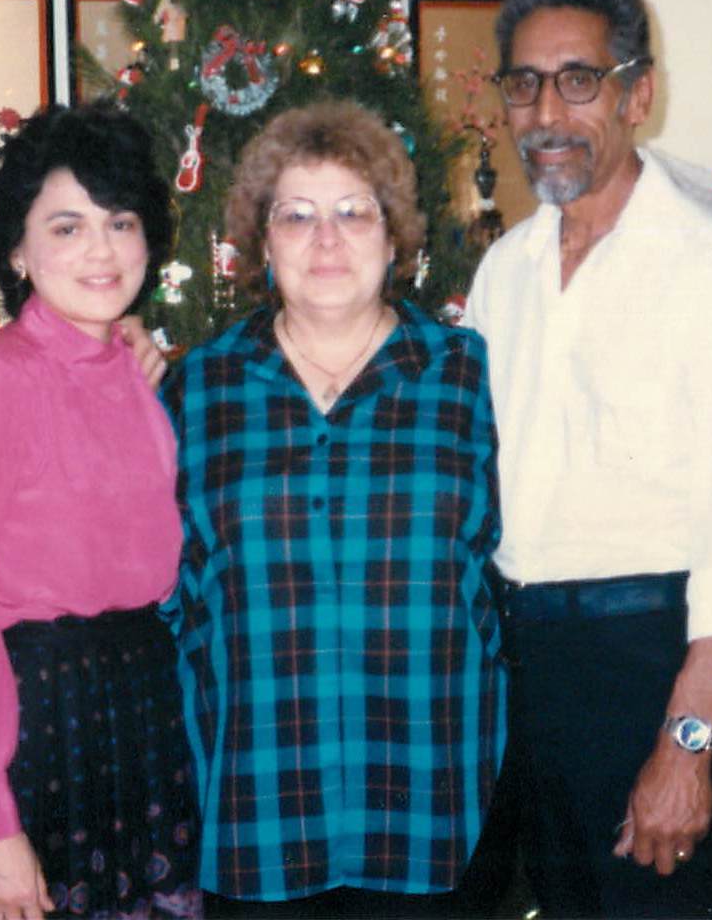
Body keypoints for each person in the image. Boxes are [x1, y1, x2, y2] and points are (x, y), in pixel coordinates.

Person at [464, 0, 712, 918]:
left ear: (637, 95)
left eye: (579, 80)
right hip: (531, 677)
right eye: (525, 83)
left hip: (654, 672)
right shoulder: (505, 273)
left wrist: (685, 749)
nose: (547, 113)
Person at [162, 101, 504, 919]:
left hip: (429, 806)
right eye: (296, 216)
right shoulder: (198, 387)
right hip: (257, 811)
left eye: (354, 212)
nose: (326, 240)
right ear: (261, 242)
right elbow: (170, 593)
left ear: (395, 238)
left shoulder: (468, 376)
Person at [0, 103, 202, 920]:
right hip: (31, 738)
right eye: (67, 228)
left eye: (120, 222)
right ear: (19, 251)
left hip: (142, 729)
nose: (101, 250)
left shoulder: (139, 376)